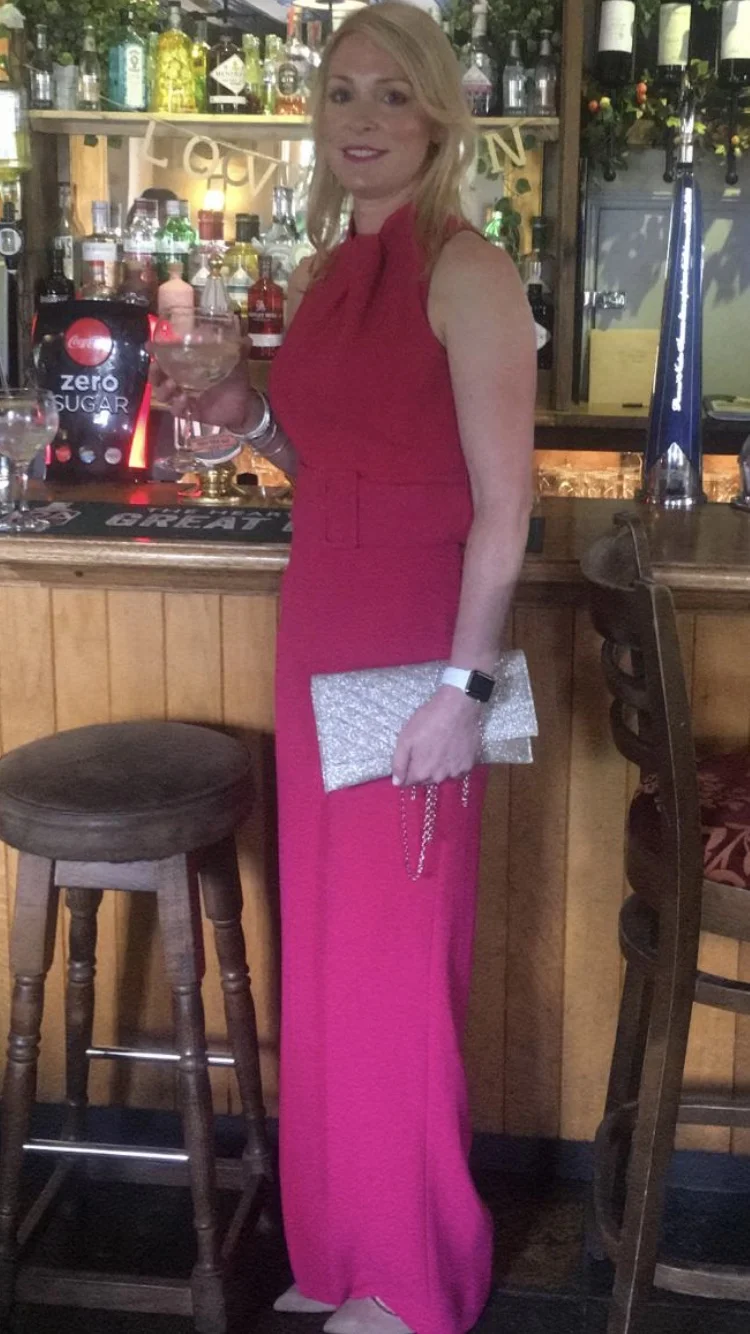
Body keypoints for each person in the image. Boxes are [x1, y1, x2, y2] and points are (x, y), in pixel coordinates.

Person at [156, 5, 535, 1331]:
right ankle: (342, 1246)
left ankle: (418, 1278)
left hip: (418, 642)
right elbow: (328, 457)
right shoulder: (331, 270)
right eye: (340, 92)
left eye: (392, 94)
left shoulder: (469, 270)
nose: (362, 118)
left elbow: (505, 506)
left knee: (398, 960)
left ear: (437, 116)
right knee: (328, 951)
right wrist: (244, 417)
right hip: (322, 612)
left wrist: (464, 689)